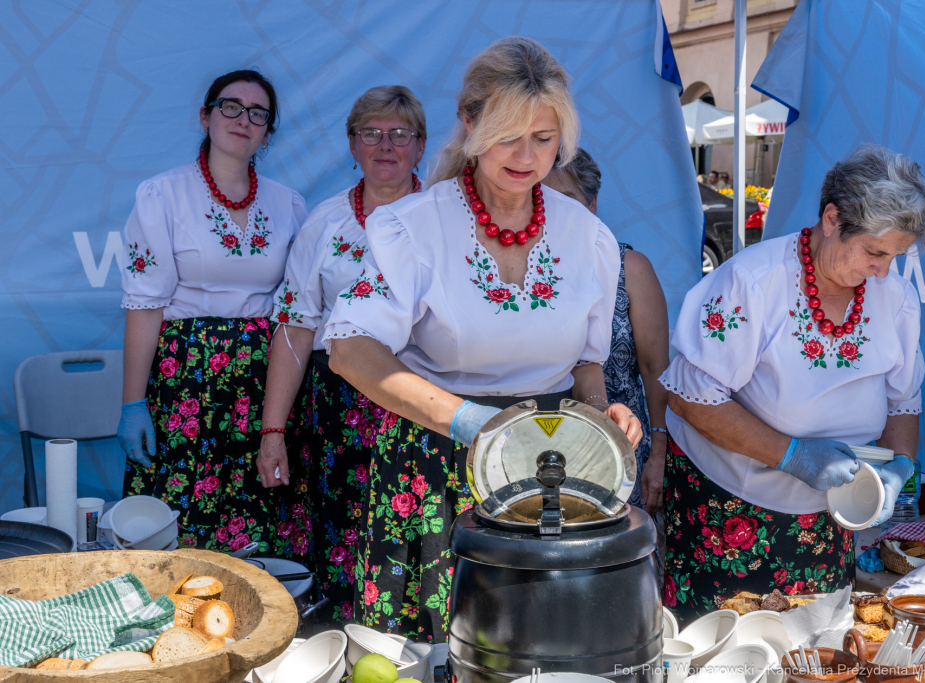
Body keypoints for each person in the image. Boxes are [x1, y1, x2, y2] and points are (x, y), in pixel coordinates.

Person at [322, 37, 642, 641]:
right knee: (429, 649)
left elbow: (586, 366)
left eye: (543, 139)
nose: (526, 156)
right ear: (469, 123)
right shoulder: (414, 227)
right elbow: (349, 349)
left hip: (547, 467)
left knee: (536, 646)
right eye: (507, 136)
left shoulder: (586, 236)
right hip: (434, 462)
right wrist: (469, 421)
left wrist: (602, 421)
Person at [660, 144, 925, 621]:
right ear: (832, 218)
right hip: (728, 509)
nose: (883, 270)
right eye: (875, 252)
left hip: (830, 517)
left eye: (895, 256)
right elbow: (692, 397)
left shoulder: (895, 299)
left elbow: (903, 401)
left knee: (815, 644)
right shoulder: (753, 282)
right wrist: (792, 455)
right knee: (721, 644)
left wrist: (900, 465)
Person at [118, 70, 307, 552]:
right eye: (231, 106)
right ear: (205, 117)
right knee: (177, 521)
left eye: (258, 113)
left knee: (256, 520)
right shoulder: (163, 195)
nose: (243, 119)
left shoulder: (288, 205)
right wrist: (132, 403)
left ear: (267, 132)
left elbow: (296, 312)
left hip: (263, 381)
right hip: (186, 377)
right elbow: (145, 307)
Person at [256, 86, 426, 624]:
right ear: (352, 145)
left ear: (421, 146)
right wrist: (273, 431)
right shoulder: (325, 223)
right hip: (340, 410)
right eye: (371, 133)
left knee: (422, 536)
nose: (385, 145)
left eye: (399, 133)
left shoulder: (445, 219)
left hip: (425, 402)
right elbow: (295, 327)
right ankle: (344, 644)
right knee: (343, 541)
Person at [544, 148, 671, 516]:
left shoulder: (629, 268)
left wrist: (659, 453)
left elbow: (656, 370)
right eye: (543, 199)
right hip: (540, 446)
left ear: (592, 203)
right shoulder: (516, 271)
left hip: (621, 447)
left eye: (567, 198)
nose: (555, 211)